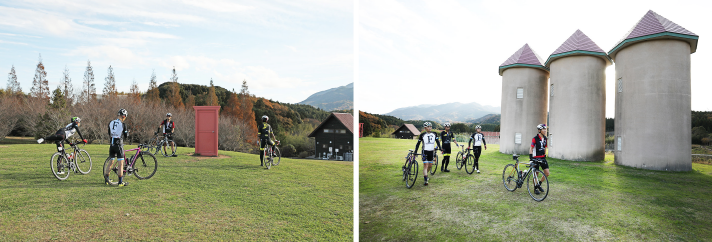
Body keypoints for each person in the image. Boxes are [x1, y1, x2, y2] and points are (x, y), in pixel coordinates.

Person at [105, 109, 129, 187]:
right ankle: (120, 182)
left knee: (111, 162)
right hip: (119, 145)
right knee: (121, 164)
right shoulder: (123, 124)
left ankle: (107, 180)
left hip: (112, 144)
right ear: (123, 116)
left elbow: (109, 133)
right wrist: (127, 132)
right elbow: (126, 136)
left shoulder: (111, 122)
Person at [529, 123, 549, 195]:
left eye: (545, 129)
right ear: (539, 130)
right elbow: (531, 148)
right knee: (536, 174)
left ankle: (539, 184)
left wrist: (545, 155)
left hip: (542, 157)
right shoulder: (535, 138)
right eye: (543, 129)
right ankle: (535, 188)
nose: (545, 131)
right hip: (535, 158)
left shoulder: (545, 139)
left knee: (547, 173)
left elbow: (545, 148)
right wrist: (531, 158)